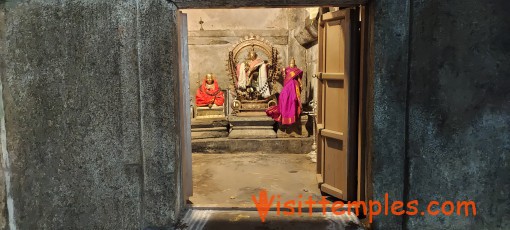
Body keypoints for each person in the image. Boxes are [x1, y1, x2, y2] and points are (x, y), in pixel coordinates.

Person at [266, 57, 302, 125]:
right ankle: (284, 113)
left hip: (294, 85)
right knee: (283, 96)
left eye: (293, 63)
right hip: (287, 86)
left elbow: (299, 79)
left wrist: (300, 84)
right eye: (291, 63)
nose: (291, 64)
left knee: (293, 99)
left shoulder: (296, 70)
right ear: (289, 63)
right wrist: (283, 71)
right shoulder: (286, 69)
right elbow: (283, 76)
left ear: (294, 64)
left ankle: (292, 114)